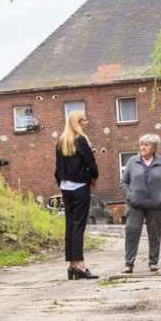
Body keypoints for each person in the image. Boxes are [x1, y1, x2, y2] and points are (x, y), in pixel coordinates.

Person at [54, 110, 99, 279]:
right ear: (77, 124)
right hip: (80, 187)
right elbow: (91, 163)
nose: (87, 122)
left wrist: (62, 183)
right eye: (84, 120)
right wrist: (93, 177)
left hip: (66, 188)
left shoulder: (61, 142)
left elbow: (57, 169)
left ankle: (72, 265)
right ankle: (80, 264)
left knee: (70, 226)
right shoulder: (81, 140)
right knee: (79, 226)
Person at [120, 134, 161, 273]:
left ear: (154, 147)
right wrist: (129, 196)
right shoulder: (133, 161)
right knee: (132, 233)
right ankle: (129, 263)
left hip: (156, 205)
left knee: (154, 234)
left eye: (146, 145)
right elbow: (124, 182)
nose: (143, 147)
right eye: (141, 144)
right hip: (135, 204)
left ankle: (153, 262)